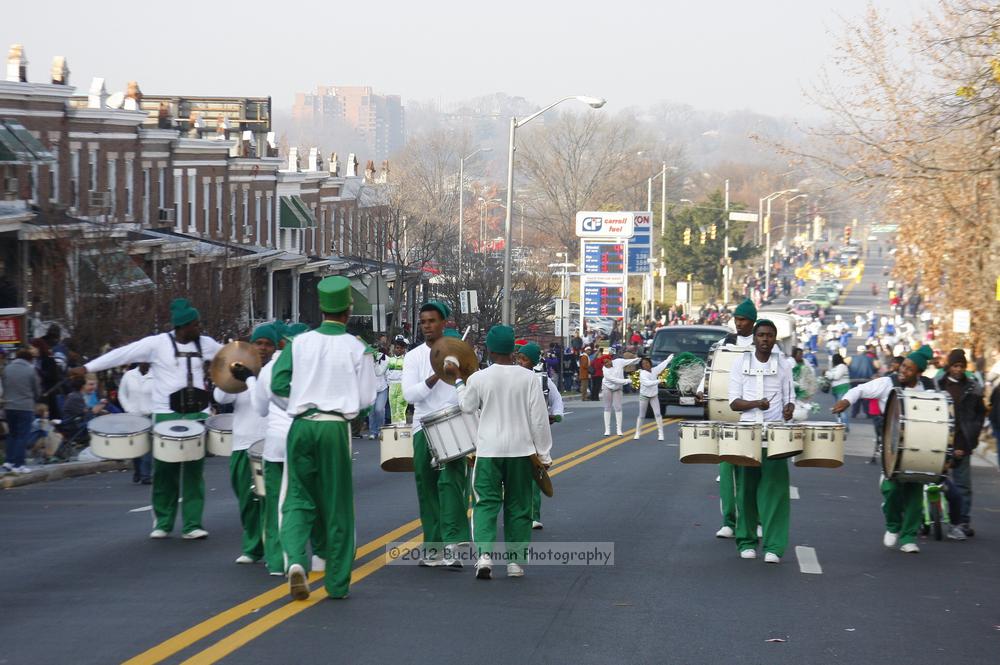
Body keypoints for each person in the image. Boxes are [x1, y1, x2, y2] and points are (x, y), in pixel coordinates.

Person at [73, 298, 222, 539]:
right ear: (183, 326)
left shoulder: (206, 344)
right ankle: (163, 522)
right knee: (164, 469)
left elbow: (230, 356)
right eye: (195, 324)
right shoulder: (156, 344)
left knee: (195, 470)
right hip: (166, 413)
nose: (199, 328)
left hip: (197, 413)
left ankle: (193, 524)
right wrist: (89, 368)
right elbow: (121, 355)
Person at [271, 277, 376, 600]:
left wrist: (302, 400)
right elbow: (366, 399)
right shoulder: (359, 348)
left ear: (321, 308)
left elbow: (277, 385)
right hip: (334, 426)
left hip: (301, 424)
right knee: (338, 504)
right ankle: (337, 581)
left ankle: (295, 561)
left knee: (296, 498)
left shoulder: (299, 343)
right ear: (348, 310)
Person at [450, 325, 553, 579]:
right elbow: (539, 419)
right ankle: (515, 563)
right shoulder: (529, 378)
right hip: (521, 450)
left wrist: (460, 383)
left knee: (485, 503)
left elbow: (467, 406)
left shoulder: (479, 378)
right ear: (513, 350)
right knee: (519, 505)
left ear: (490, 349)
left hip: (489, 450)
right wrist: (544, 454)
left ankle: (484, 556)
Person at [832, 346, 937, 552]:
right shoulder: (888, 383)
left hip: (919, 447)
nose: (903, 371)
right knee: (892, 490)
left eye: (909, 369)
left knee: (915, 494)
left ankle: (908, 538)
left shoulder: (928, 388)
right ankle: (893, 525)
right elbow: (860, 389)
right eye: (903, 366)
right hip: (892, 446)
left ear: (919, 373)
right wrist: (846, 400)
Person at [401, 300, 471, 567]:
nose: (427, 326)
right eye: (423, 322)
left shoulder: (460, 352)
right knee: (427, 486)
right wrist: (436, 375)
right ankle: (434, 548)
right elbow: (410, 394)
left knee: (452, 485)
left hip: (453, 423)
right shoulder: (413, 356)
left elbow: (469, 390)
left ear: (443, 324)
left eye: (432, 321)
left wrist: (459, 374)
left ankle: (453, 546)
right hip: (423, 425)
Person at [727, 319, 795, 563]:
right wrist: (756, 403)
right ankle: (746, 541)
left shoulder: (784, 365)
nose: (765, 339)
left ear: (775, 339)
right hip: (747, 434)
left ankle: (774, 547)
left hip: (776, 435)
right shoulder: (740, 364)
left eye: (770, 336)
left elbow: (790, 397)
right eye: (761, 335)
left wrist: (789, 408)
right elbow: (734, 402)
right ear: (754, 338)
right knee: (746, 490)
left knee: (776, 491)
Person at [216, 324, 278, 565]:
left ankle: (269, 547)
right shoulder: (240, 370)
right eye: (259, 343)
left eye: (267, 344)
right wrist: (229, 371)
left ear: (274, 348)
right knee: (246, 499)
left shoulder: (275, 371)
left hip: (268, 444)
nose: (262, 348)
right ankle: (253, 546)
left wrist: (252, 380)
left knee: (268, 499)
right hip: (242, 443)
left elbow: (265, 406)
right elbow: (220, 398)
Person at [251, 322, 309, 577]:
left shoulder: (268, 371)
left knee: (274, 504)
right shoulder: (311, 366)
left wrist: (252, 381)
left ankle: (276, 561)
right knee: (304, 502)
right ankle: (308, 555)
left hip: (275, 444)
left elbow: (261, 410)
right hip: (304, 441)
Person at [698, 298, 757, 540]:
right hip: (728, 418)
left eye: (742, 320)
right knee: (727, 471)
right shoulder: (724, 343)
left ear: (752, 321)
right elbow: (713, 371)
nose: (738, 324)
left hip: (754, 417)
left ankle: (756, 520)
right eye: (736, 319)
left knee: (753, 474)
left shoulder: (763, 343)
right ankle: (729, 522)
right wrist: (703, 388)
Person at [934, 349, 984, 537]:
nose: (958, 369)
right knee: (937, 482)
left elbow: (979, 414)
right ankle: (934, 516)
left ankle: (962, 521)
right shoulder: (938, 385)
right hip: (940, 443)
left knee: (963, 485)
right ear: (949, 366)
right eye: (955, 366)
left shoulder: (973, 387)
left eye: (961, 366)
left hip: (963, 443)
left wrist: (969, 440)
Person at [517, 342, 563, 530]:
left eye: (524, 358)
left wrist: (556, 414)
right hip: (515, 431)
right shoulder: (510, 375)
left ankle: (533, 515)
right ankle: (519, 513)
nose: (520, 361)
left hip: (535, 431)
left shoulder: (542, 379)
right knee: (516, 475)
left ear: (533, 361)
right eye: (518, 357)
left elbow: (556, 399)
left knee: (535, 473)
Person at [2, 347, 41, 474]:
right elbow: (36, 390)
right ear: (29, 359)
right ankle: (19, 464)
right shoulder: (30, 370)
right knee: (22, 435)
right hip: (25, 406)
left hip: (9, 406)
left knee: (12, 434)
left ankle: (8, 461)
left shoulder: (7, 369)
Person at [118, 363, 154, 484]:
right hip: (133, 416)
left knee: (147, 446)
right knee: (136, 447)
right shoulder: (129, 375)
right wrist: (128, 408)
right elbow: (122, 394)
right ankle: (138, 470)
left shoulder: (156, 375)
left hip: (149, 415)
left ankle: (146, 475)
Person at [633, 356, 671, 441]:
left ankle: (661, 434)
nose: (645, 365)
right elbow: (648, 383)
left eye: (647, 363)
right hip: (644, 396)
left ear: (650, 363)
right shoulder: (642, 374)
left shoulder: (654, 370)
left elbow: (662, 365)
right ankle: (637, 433)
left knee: (657, 414)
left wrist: (668, 359)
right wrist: (660, 381)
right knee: (642, 415)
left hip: (654, 395)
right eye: (643, 364)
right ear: (641, 366)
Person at [600, 354, 637, 436]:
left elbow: (629, 361)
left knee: (618, 407)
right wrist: (628, 381)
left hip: (618, 388)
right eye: (604, 363)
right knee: (607, 407)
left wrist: (638, 359)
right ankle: (607, 430)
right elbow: (614, 380)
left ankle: (619, 429)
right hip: (607, 387)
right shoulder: (605, 370)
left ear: (610, 360)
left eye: (607, 362)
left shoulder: (618, 362)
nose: (606, 364)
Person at [368, 344, 389, 439]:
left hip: (382, 388)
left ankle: (381, 430)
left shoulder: (386, 359)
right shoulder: (367, 359)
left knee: (379, 409)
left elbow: (379, 372)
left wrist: (376, 362)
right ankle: (373, 431)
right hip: (370, 389)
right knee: (371, 411)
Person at [825, 354, 851, 431]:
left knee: (841, 409)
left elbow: (836, 376)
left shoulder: (842, 366)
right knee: (838, 409)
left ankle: (845, 427)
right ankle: (841, 425)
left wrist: (827, 373)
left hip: (842, 389)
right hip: (836, 390)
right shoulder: (835, 367)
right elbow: (831, 376)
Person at [386, 336, 408, 423]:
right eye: (397, 348)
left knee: (401, 410)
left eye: (401, 348)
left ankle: (401, 430)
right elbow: (386, 373)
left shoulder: (407, 360)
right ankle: (394, 431)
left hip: (402, 386)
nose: (399, 349)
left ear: (404, 349)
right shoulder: (390, 360)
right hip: (392, 386)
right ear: (394, 349)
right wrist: (389, 384)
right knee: (393, 410)